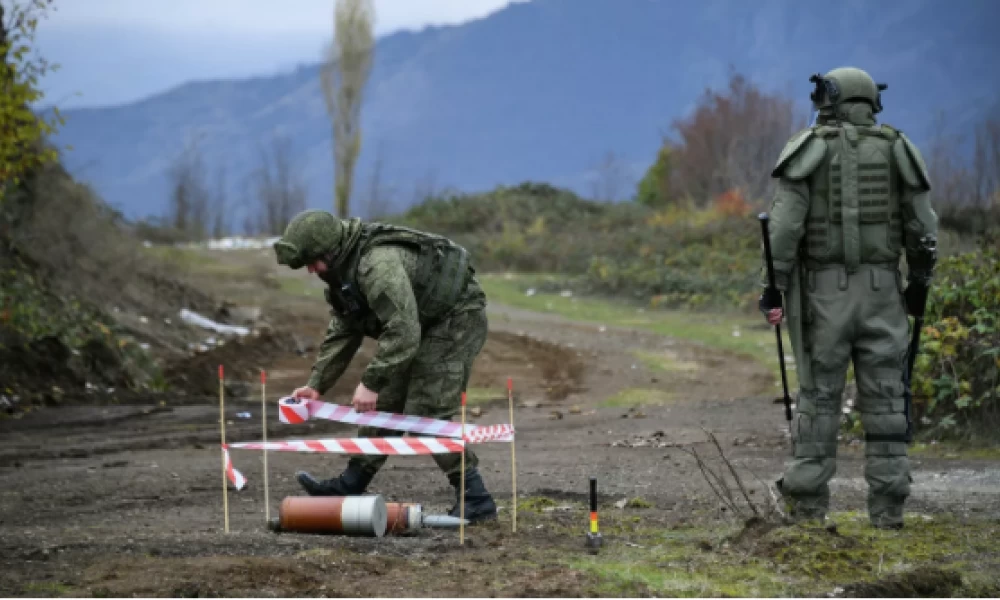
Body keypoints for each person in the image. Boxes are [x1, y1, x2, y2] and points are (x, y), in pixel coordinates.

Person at [759, 67, 938, 529]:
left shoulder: (807, 151)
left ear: (830, 99)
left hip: (823, 295)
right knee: (886, 398)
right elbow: (924, 228)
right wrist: (918, 281)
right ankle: (888, 511)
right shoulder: (899, 150)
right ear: (869, 102)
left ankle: (807, 508)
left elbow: (782, 228)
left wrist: (772, 287)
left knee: (819, 398)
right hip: (883, 293)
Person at [272, 209, 498, 523]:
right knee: (387, 406)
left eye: (314, 261)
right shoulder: (341, 274)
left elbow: (403, 331)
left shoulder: (377, 265)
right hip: (421, 322)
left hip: (455, 320)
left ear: (332, 252)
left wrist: (372, 381)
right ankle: (351, 484)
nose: (311, 270)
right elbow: (344, 330)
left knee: (427, 410)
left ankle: (476, 499)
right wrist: (316, 384)